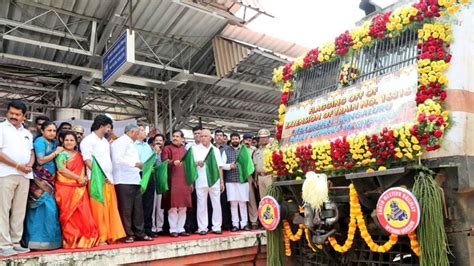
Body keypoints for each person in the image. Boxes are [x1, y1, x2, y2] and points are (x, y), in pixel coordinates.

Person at [80, 115, 125, 245]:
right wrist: (99, 175)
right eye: (108, 127)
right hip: (97, 180)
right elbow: (87, 160)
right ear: (102, 126)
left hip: (109, 180)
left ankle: (111, 235)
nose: (109, 130)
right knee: (98, 210)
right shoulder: (88, 140)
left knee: (110, 208)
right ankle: (100, 237)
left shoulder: (104, 141)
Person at [0, 100, 34, 257]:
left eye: (17, 114)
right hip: (5, 174)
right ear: (7, 113)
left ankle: (15, 242)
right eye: (11, 113)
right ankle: (3, 244)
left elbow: (31, 153)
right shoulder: (1, 128)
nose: (13, 116)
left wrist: (29, 164)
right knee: (3, 210)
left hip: (25, 175)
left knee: (19, 211)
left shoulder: (27, 133)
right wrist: (17, 165)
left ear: (24, 116)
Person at [55, 131, 99, 248]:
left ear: (76, 142)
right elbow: (62, 169)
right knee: (70, 217)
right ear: (62, 141)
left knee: (84, 215)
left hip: (80, 188)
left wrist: (83, 179)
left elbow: (84, 169)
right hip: (66, 188)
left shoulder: (80, 154)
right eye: (66, 140)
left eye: (72, 140)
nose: (69, 142)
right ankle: (71, 241)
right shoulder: (61, 154)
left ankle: (85, 239)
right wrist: (78, 178)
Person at [24, 121, 62, 250]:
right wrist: (56, 153)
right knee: (40, 210)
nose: (52, 133)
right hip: (39, 181)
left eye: (54, 131)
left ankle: (50, 242)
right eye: (49, 130)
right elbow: (40, 160)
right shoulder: (40, 142)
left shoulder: (55, 143)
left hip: (51, 181)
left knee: (51, 211)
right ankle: (34, 242)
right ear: (42, 131)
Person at [111, 124, 153, 243]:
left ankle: (140, 232)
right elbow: (117, 159)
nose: (139, 134)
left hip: (134, 179)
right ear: (132, 132)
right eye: (138, 132)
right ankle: (128, 234)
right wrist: (134, 164)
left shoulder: (131, 143)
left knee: (138, 208)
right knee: (126, 208)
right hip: (123, 179)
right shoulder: (120, 142)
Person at [161, 130, 192, 237]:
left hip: (184, 181)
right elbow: (164, 161)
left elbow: (189, 166)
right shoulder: (167, 148)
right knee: (173, 206)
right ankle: (173, 229)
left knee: (183, 206)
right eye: (174, 136)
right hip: (172, 180)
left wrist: (191, 182)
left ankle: (181, 228)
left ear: (182, 138)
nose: (175, 138)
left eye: (177, 136)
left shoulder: (185, 150)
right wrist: (172, 162)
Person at [193, 129, 224, 235]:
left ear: (210, 137)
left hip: (214, 180)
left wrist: (222, 181)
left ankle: (216, 226)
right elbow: (190, 165)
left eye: (205, 136)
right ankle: (202, 227)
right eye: (201, 136)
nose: (203, 138)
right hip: (200, 180)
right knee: (201, 205)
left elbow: (220, 166)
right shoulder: (195, 149)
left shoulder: (215, 150)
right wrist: (197, 163)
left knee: (216, 204)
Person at [222, 133, 251, 231]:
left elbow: (248, 163)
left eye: (236, 139)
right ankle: (235, 224)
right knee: (233, 204)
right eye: (233, 139)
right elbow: (222, 165)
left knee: (243, 203)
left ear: (239, 140)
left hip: (242, 180)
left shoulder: (244, 151)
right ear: (231, 140)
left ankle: (244, 224)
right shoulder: (226, 151)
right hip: (230, 181)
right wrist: (229, 166)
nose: (235, 140)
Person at [134, 126, 156, 237]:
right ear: (136, 132)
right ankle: (138, 230)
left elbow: (152, 160)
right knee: (138, 203)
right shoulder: (132, 145)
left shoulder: (147, 146)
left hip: (149, 175)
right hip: (138, 174)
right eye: (142, 130)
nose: (144, 132)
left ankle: (148, 228)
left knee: (149, 202)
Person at [184, 125, 202, 233]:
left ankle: (201, 226)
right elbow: (186, 162)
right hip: (192, 178)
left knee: (202, 203)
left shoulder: (208, 147)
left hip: (203, 179)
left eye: (199, 133)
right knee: (191, 204)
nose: (197, 135)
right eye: (195, 134)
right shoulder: (189, 147)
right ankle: (189, 227)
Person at [214, 129, 232, 231]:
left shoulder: (227, 148)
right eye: (217, 135)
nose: (219, 137)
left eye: (221, 135)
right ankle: (214, 224)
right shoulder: (210, 148)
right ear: (214, 137)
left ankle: (226, 224)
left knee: (224, 201)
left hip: (225, 176)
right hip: (212, 176)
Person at [149, 134, 165, 236]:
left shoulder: (165, 153)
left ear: (163, 142)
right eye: (157, 140)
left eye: (160, 140)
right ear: (154, 142)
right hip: (152, 181)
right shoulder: (150, 152)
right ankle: (152, 227)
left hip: (162, 182)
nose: (158, 142)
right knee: (152, 205)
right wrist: (155, 153)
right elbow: (151, 164)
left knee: (160, 207)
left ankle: (159, 227)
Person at [242, 133, 259, 229]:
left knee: (252, 199)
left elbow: (255, 166)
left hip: (250, 176)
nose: (247, 141)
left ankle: (254, 221)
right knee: (241, 200)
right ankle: (244, 221)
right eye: (246, 139)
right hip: (239, 177)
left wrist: (254, 178)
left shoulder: (254, 150)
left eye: (249, 139)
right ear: (243, 140)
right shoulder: (239, 150)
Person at [253, 129, 274, 198]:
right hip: (260, 177)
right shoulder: (256, 152)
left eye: (265, 137)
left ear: (268, 138)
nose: (263, 139)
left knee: (271, 197)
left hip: (270, 176)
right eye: (261, 137)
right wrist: (256, 178)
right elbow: (256, 166)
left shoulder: (272, 149)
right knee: (263, 199)